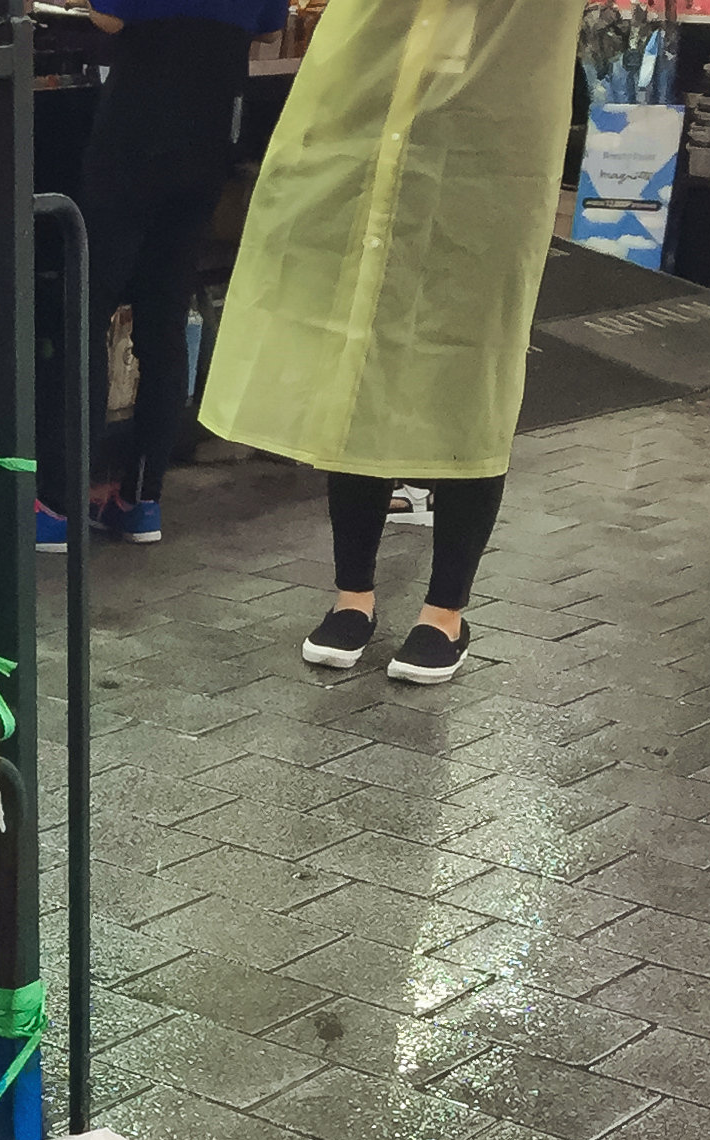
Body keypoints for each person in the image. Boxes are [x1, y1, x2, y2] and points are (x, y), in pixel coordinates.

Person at [192, 0, 580, 685]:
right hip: (369, 146)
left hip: (479, 163)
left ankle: (445, 610)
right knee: (357, 370)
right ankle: (352, 596)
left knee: (469, 377)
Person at [34, 0, 286, 549]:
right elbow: (269, 31)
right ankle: (141, 500)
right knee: (166, 315)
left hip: (134, 131)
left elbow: (109, 18)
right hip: (210, 136)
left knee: (88, 306)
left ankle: (57, 504)